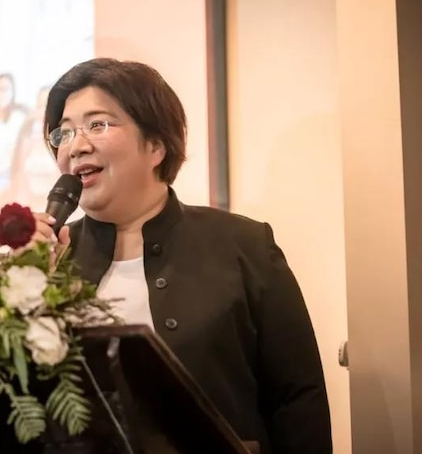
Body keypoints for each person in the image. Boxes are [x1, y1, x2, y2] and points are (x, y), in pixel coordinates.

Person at [31, 58, 331, 453]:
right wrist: (30, 290)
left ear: (156, 145)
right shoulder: (48, 259)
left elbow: (298, 400)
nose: (76, 145)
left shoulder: (243, 245)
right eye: (64, 132)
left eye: (98, 124)